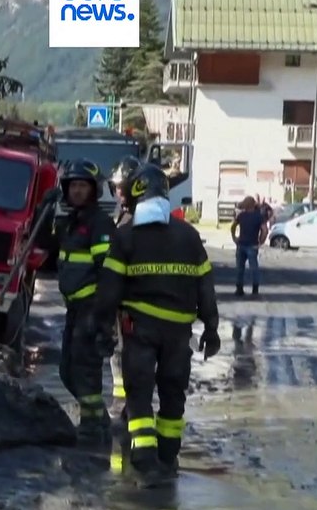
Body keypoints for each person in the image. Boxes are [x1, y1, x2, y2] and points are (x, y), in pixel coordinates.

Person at [95, 163, 220, 486]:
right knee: (172, 396)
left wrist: (102, 326)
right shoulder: (190, 236)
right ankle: (168, 456)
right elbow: (205, 285)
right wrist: (211, 327)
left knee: (139, 394)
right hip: (179, 334)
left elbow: (109, 289)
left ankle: (145, 461)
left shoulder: (126, 236)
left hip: (140, 331)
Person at [37, 159, 117, 441]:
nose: (77, 191)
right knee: (67, 371)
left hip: (91, 309)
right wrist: (43, 210)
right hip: (74, 309)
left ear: (93, 190)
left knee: (84, 370)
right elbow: (44, 243)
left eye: (83, 186)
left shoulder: (99, 224)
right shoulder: (71, 223)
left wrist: (105, 320)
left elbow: (109, 273)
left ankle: (93, 425)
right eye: (73, 186)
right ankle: (96, 418)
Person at [105, 156, 142, 418]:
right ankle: (121, 400)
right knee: (117, 349)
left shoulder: (141, 218)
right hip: (120, 298)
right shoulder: (125, 214)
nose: (118, 192)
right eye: (115, 187)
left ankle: (130, 404)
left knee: (130, 352)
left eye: (122, 187)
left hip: (134, 300)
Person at [230, 195, 267, 297]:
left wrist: (234, 238)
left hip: (241, 244)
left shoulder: (241, 216)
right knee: (254, 268)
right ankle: (255, 290)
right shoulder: (259, 216)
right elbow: (265, 230)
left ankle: (239, 289)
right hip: (252, 245)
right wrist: (261, 242)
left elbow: (233, 226)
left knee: (239, 268)